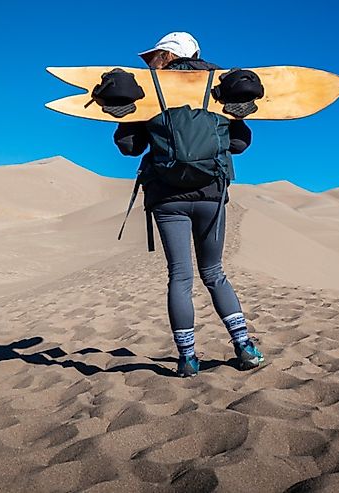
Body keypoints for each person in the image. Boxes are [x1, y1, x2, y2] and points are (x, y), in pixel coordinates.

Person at [113, 32, 267, 377]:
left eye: (154, 55)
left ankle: (187, 358)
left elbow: (128, 145)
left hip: (167, 199)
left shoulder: (153, 91)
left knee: (180, 277)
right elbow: (241, 144)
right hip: (211, 193)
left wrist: (127, 114)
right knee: (214, 274)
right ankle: (245, 348)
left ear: (166, 55)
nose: (150, 61)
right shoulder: (219, 88)